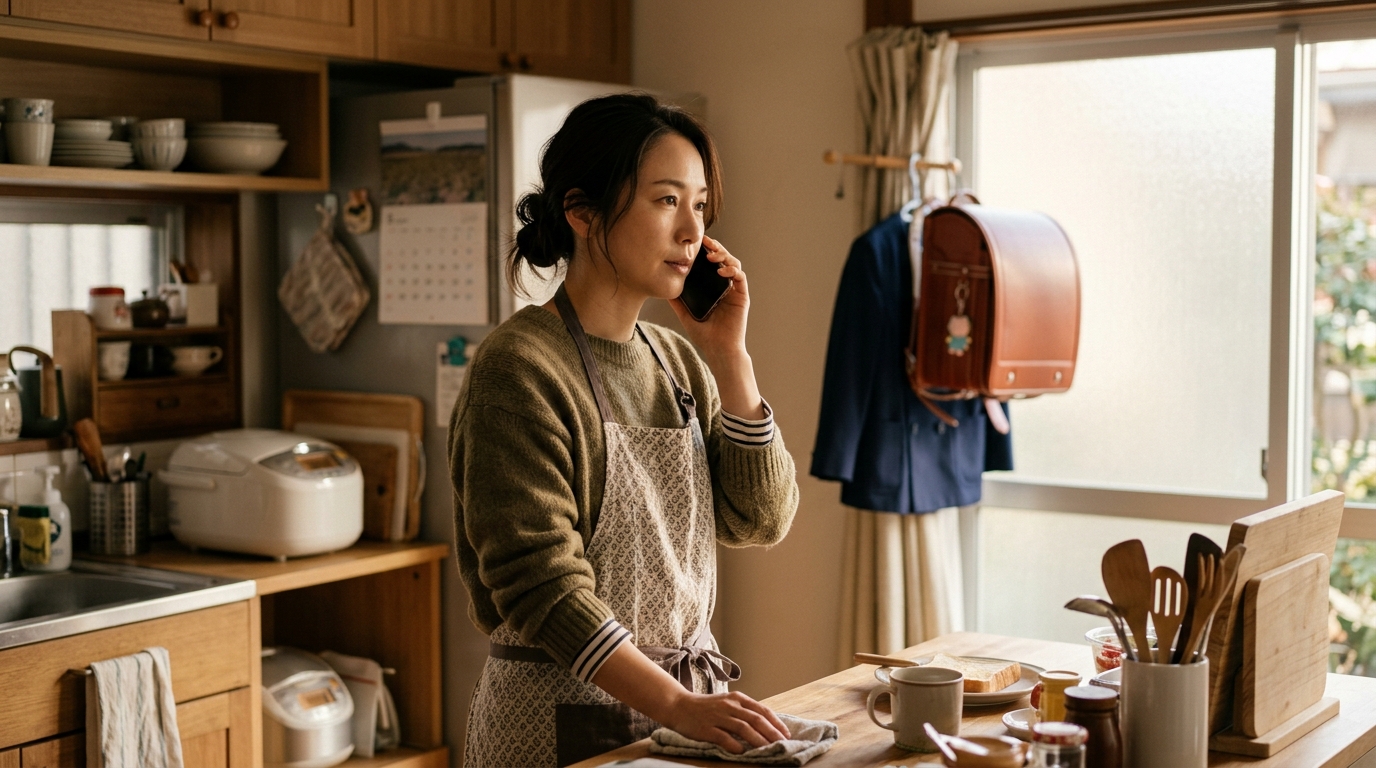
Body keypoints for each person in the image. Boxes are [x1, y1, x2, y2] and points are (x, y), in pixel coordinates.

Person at [449, 92, 801, 767]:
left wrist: (732, 357)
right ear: (582, 211)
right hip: (553, 731)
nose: (691, 231)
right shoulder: (519, 369)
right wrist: (678, 704)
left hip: (675, 722)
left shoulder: (675, 362)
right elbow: (542, 588)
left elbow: (759, 520)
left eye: (699, 205)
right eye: (666, 200)